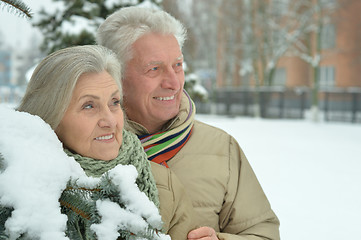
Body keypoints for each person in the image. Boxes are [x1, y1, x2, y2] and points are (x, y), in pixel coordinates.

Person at [96, 7, 280, 240]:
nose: (174, 82)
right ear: (115, 75)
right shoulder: (80, 146)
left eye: (178, 65)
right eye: (154, 68)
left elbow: (263, 234)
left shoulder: (222, 148)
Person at [0, 45, 195, 239]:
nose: (110, 120)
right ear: (51, 117)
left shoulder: (166, 185)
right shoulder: (10, 188)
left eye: (114, 102)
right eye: (89, 106)